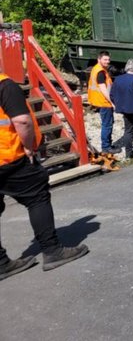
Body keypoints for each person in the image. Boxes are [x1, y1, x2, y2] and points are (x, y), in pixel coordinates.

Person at [0, 72, 89, 279]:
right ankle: (53, 251)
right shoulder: (5, 85)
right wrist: (29, 146)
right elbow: (22, 122)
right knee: (37, 198)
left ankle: (1, 263)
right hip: (9, 158)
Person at [87, 50, 114, 153]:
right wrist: (111, 102)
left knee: (107, 123)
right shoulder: (100, 72)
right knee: (107, 124)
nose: (107, 61)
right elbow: (103, 89)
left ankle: (107, 145)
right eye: (105, 59)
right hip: (104, 101)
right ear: (99, 59)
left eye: (108, 59)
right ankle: (106, 147)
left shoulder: (96, 68)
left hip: (99, 100)